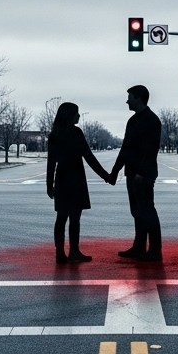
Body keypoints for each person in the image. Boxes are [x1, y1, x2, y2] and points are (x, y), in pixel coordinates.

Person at [46, 102, 113, 263]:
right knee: (75, 219)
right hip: (76, 179)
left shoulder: (54, 135)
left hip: (61, 179)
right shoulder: (76, 133)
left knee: (61, 218)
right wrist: (106, 176)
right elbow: (89, 157)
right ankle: (74, 252)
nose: (78, 116)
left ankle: (60, 254)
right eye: (76, 113)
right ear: (69, 115)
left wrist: (49, 185)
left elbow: (51, 163)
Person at [109, 84, 163, 261]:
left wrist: (141, 173)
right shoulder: (132, 121)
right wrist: (115, 171)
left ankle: (155, 250)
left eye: (130, 98)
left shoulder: (152, 120)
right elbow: (125, 149)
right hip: (131, 173)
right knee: (136, 211)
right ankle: (139, 247)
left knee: (147, 211)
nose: (127, 102)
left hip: (143, 175)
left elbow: (151, 150)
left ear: (138, 98)